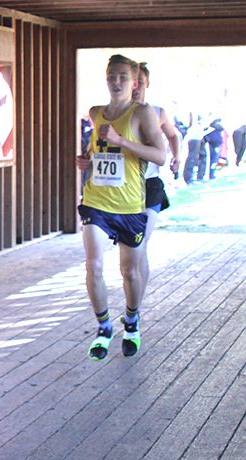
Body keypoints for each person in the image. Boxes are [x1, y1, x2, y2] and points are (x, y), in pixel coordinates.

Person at [75, 54, 165, 362]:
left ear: (134, 82)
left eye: (122, 77)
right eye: (111, 76)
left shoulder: (143, 113)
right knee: (94, 265)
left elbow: (160, 155)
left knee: (129, 271)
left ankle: (132, 320)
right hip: (96, 201)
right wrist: (87, 160)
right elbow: (97, 151)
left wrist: (121, 140)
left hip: (130, 205)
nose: (116, 82)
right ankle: (103, 327)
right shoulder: (96, 112)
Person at [132, 62, 181, 288]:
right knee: (131, 249)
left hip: (150, 185)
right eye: (131, 81)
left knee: (140, 243)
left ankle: (136, 305)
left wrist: (176, 157)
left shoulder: (158, 112)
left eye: (139, 82)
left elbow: (173, 135)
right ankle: (134, 296)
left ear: (147, 84)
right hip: (123, 188)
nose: (135, 86)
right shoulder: (113, 113)